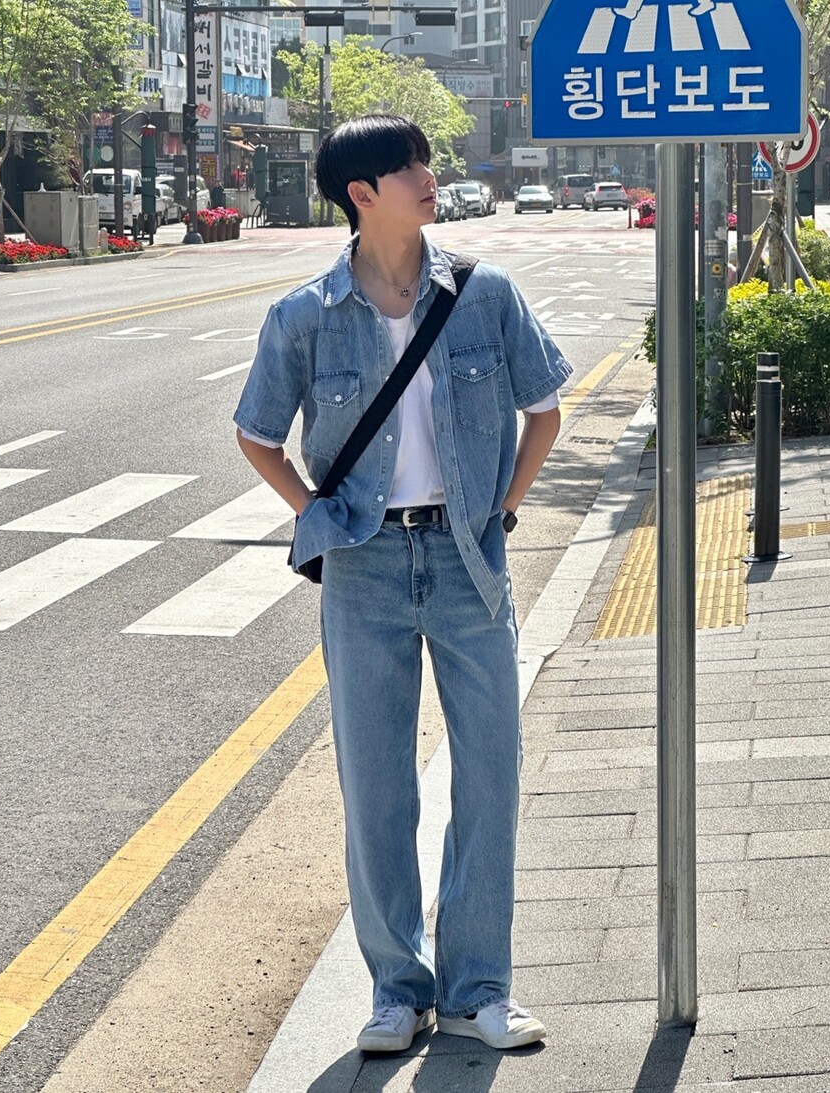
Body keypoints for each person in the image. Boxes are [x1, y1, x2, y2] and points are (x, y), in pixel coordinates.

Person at [233, 114, 571, 1055]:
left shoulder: (483, 292)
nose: (430, 175)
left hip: (467, 559)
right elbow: (256, 433)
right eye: (409, 165)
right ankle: (396, 989)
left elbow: (544, 408)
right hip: (365, 567)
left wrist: (502, 510)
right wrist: (319, 514)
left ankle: (478, 987)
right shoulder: (306, 314)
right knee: (376, 784)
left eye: (426, 160)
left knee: (490, 771)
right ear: (362, 194)